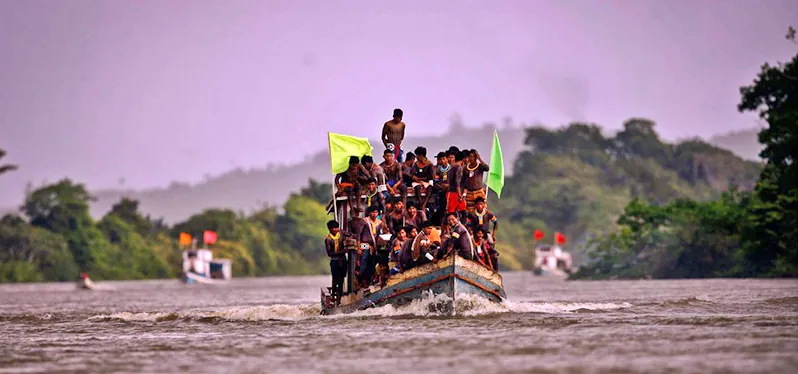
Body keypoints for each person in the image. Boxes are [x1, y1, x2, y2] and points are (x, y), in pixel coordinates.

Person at [358, 205, 385, 287]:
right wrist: (359, 247)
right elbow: (359, 234)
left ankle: (374, 278)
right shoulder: (364, 221)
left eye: (376, 212)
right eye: (372, 212)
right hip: (364, 245)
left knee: (376, 261)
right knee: (365, 257)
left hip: (375, 245)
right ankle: (361, 277)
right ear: (369, 213)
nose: (374, 214)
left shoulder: (379, 222)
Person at [325, 220, 349, 305]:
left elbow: (350, 235)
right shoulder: (328, 239)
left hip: (343, 261)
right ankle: (334, 296)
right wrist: (343, 251)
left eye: (337, 227)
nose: (336, 229)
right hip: (335, 261)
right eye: (334, 228)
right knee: (336, 279)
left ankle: (339, 299)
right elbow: (329, 253)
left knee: (341, 279)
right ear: (330, 229)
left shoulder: (341, 233)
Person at [462, 149, 490, 213]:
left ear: (476, 157)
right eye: (470, 156)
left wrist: (479, 158)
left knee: (482, 211)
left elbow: (487, 168)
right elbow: (464, 182)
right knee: (470, 212)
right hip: (469, 193)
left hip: (479, 192)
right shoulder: (465, 168)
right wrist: (464, 194)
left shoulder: (480, 167)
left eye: (474, 156)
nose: (472, 158)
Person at [446, 150, 467, 221]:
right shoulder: (458, 168)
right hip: (454, 193)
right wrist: (460, 195)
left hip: (453, 193)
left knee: (462, 212)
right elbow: (457, 182)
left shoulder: (451, 167)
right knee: (451, 214)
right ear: (463, 159)